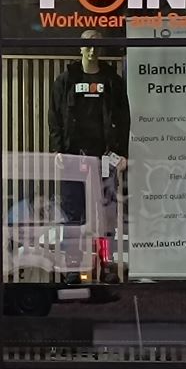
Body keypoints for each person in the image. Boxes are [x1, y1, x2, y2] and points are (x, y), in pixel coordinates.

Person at [48, 29, 130, 269]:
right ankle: (73, 263)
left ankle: (105, 261)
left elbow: (124, 118)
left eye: (97, 46)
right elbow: (54, 118)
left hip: (105, 156)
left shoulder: (112, 81)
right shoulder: (65, 81)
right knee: (73, 213)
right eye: (88, 46)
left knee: (106, 212)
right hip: (73, 155)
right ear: (80, 49)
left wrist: (122, 152)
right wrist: (58, 150)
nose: (92, 51)